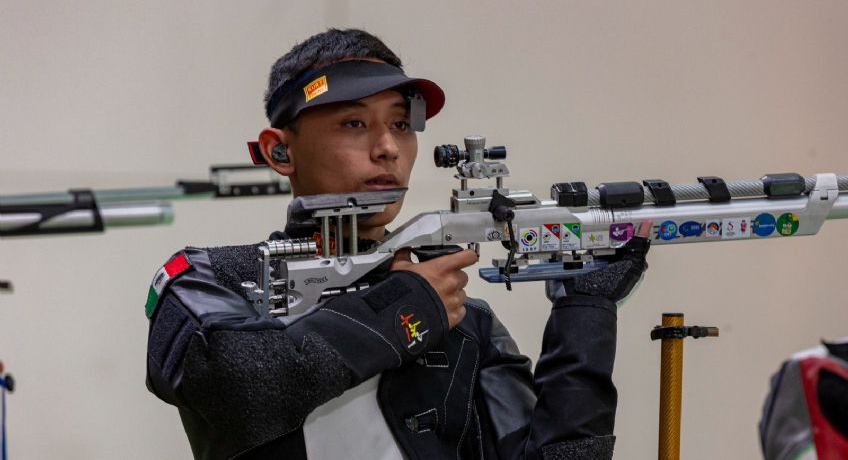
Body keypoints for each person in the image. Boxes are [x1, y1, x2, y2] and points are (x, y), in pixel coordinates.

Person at [145, 28, 651, 460]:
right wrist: (409, 306)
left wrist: (585, 309)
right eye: (354, 122)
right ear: (280, 150)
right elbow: (242, 386)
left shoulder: (465, 322)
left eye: (401, 124)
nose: (387, 147)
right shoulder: (213, 279)